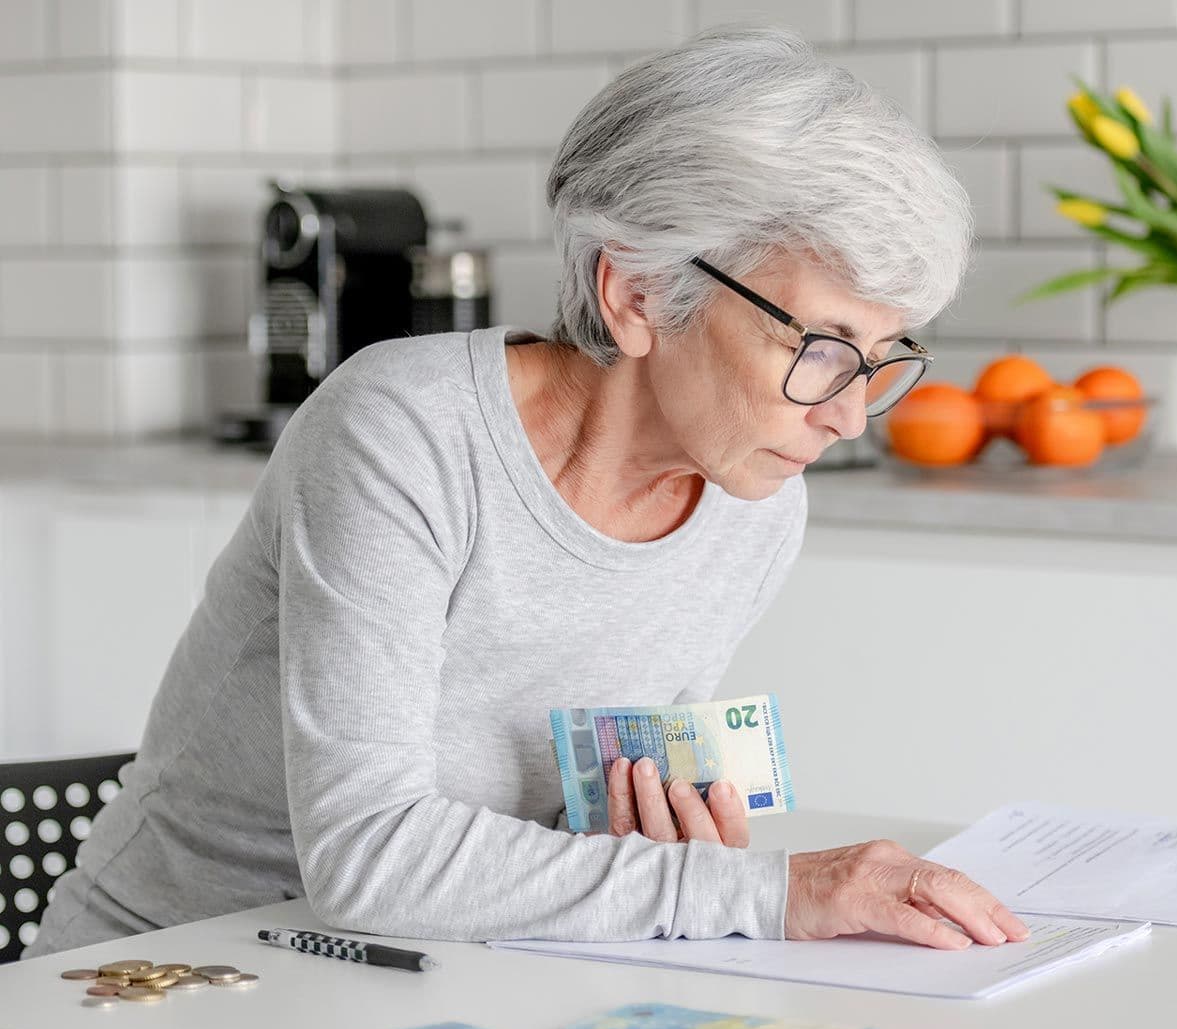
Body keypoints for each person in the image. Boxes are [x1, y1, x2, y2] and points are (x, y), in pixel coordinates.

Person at [23, 25, 1027, 960]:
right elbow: (369, 855)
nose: (850, 417)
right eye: (819, 346)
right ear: (636, 293)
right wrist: (761, 893)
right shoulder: (403, 433)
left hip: (435, 981)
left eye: (881, 358)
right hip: (160, 979)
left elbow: (574, 834)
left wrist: (655, 844)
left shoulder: (754, 503)